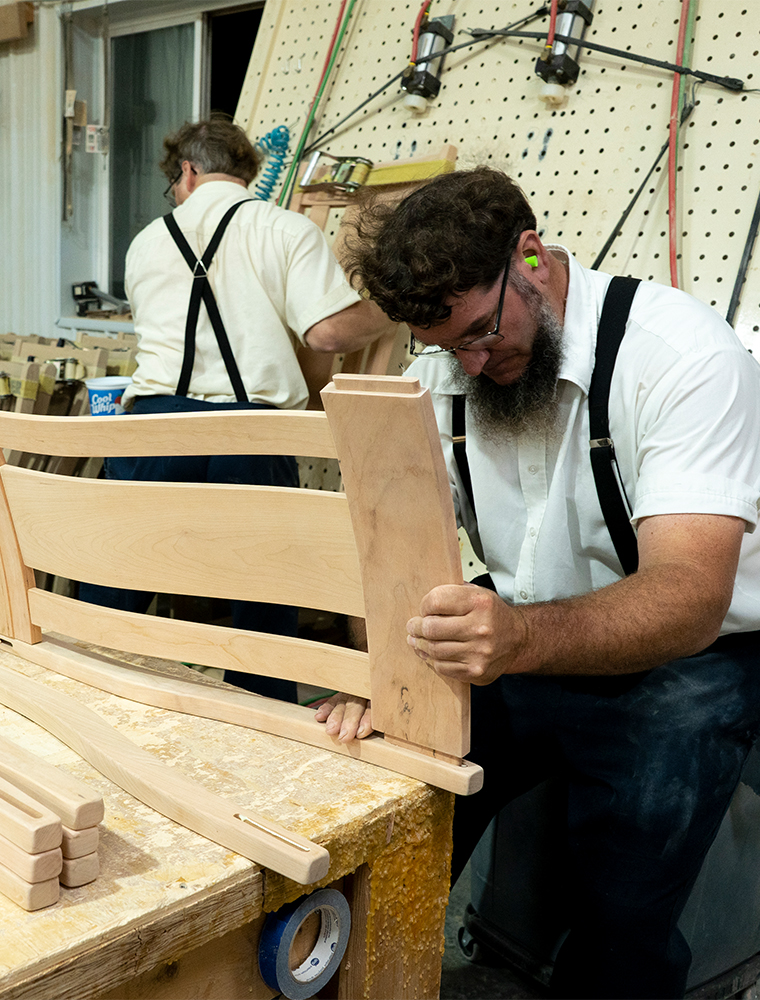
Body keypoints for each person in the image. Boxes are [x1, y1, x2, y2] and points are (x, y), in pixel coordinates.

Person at [315, 166, 760, 998]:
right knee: (394, 803)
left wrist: (519, 638)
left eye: (482, 333)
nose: (472, 365)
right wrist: (377, 678)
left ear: (530, 257)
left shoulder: (678, 355)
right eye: (447, 347)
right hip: (524, 640)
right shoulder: (442, 376)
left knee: (621, 921)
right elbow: (378, 552)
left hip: (691, 656)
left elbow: (692, 595)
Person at [79, 115, 394, 702]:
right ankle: (262, 724)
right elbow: (327, 334)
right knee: (264, 603)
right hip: (251, 433)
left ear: (188, 171)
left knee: (117, 582)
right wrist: (391, 310)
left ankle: (85, 695)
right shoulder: (285, 230)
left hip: (151, 429)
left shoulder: (147, 241)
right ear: (243, 172)